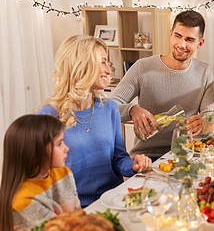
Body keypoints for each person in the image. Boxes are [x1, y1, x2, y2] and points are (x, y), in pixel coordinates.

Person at [38, 35, 152, 207]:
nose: (109, 70)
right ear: (81, 65)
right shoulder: (48, 117)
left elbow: (118, 158)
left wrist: (133, 166)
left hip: (114, 200)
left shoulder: (110, 108)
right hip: (73, 208)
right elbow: (41, 177)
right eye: (103, 62)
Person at [110, 10, 214, 160]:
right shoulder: (142, 67)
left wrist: (204, 124)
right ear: (171, 33)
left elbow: (210, 117)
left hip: (186, 156)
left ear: (200, 43)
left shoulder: (204, 71)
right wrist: (132, 109)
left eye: (190, 39)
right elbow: (110, 105)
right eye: (178, 36)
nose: (181, 44)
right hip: (147, 158)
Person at [0, 115, 81, 231]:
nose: (66, 148)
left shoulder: (62, 173)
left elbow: (77, 213)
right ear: (35, 155)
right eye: (59, 143)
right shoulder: (24, 198)